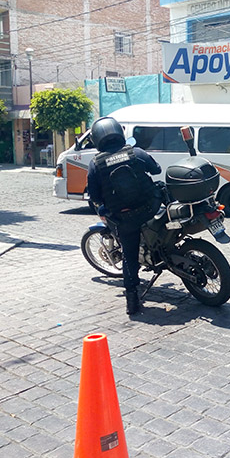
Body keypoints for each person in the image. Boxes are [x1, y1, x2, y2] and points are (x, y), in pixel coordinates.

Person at [87, 116, 162, 315]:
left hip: (125, 219)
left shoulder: (95, 164)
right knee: (162, 188)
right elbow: (156, 170)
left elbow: (94, 196)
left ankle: (132, 300)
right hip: (150, 208)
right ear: (119, 133)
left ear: (96, 139)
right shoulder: (136, 152)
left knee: (129, 258)